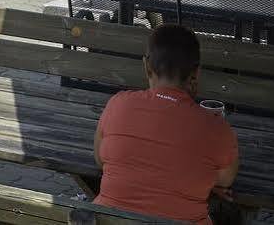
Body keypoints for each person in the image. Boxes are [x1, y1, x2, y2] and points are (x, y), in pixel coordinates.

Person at [93, 24, 241, 225]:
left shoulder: (117, 104)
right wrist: (196, 177)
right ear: (196, 73)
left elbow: (100, 160)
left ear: (146, 66)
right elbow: (224, 180)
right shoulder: (218, 130)